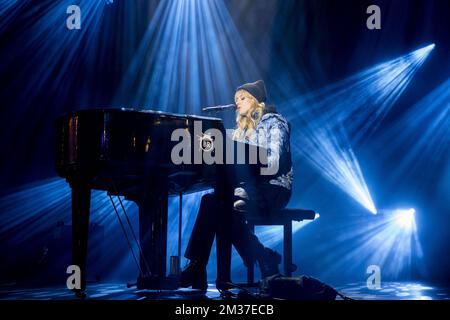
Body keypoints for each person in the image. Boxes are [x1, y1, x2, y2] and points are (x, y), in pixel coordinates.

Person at [179, 80, 293, 291]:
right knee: (213, 201)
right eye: (235, 100)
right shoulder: (242, 130)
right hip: (248, 190)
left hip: (274, 189)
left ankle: (198, 268)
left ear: (256, 100)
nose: (237, 103)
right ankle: (260, 256)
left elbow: (274, 161)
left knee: (216, 204)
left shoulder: (274, 122)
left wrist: (241, 159)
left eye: (242, 98)